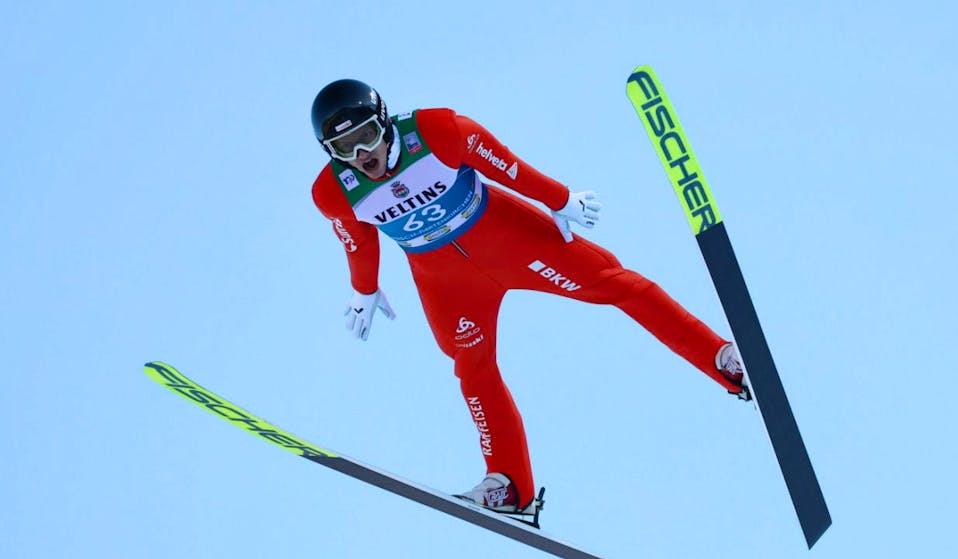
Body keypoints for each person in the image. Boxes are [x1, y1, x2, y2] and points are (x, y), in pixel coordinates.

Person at [309, 79, 749, 520]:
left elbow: (506, 165)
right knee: (472, 368)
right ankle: (508, 484)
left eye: (364, 135)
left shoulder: (436, 131)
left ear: (383, 121)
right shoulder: (334, 192)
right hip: (446, 282)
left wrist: (559, 199)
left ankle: (723, 359)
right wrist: (364, 290)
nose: (360, 154)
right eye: (343, 147)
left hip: (509, 240)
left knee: (615, 284)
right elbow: (357, 241)